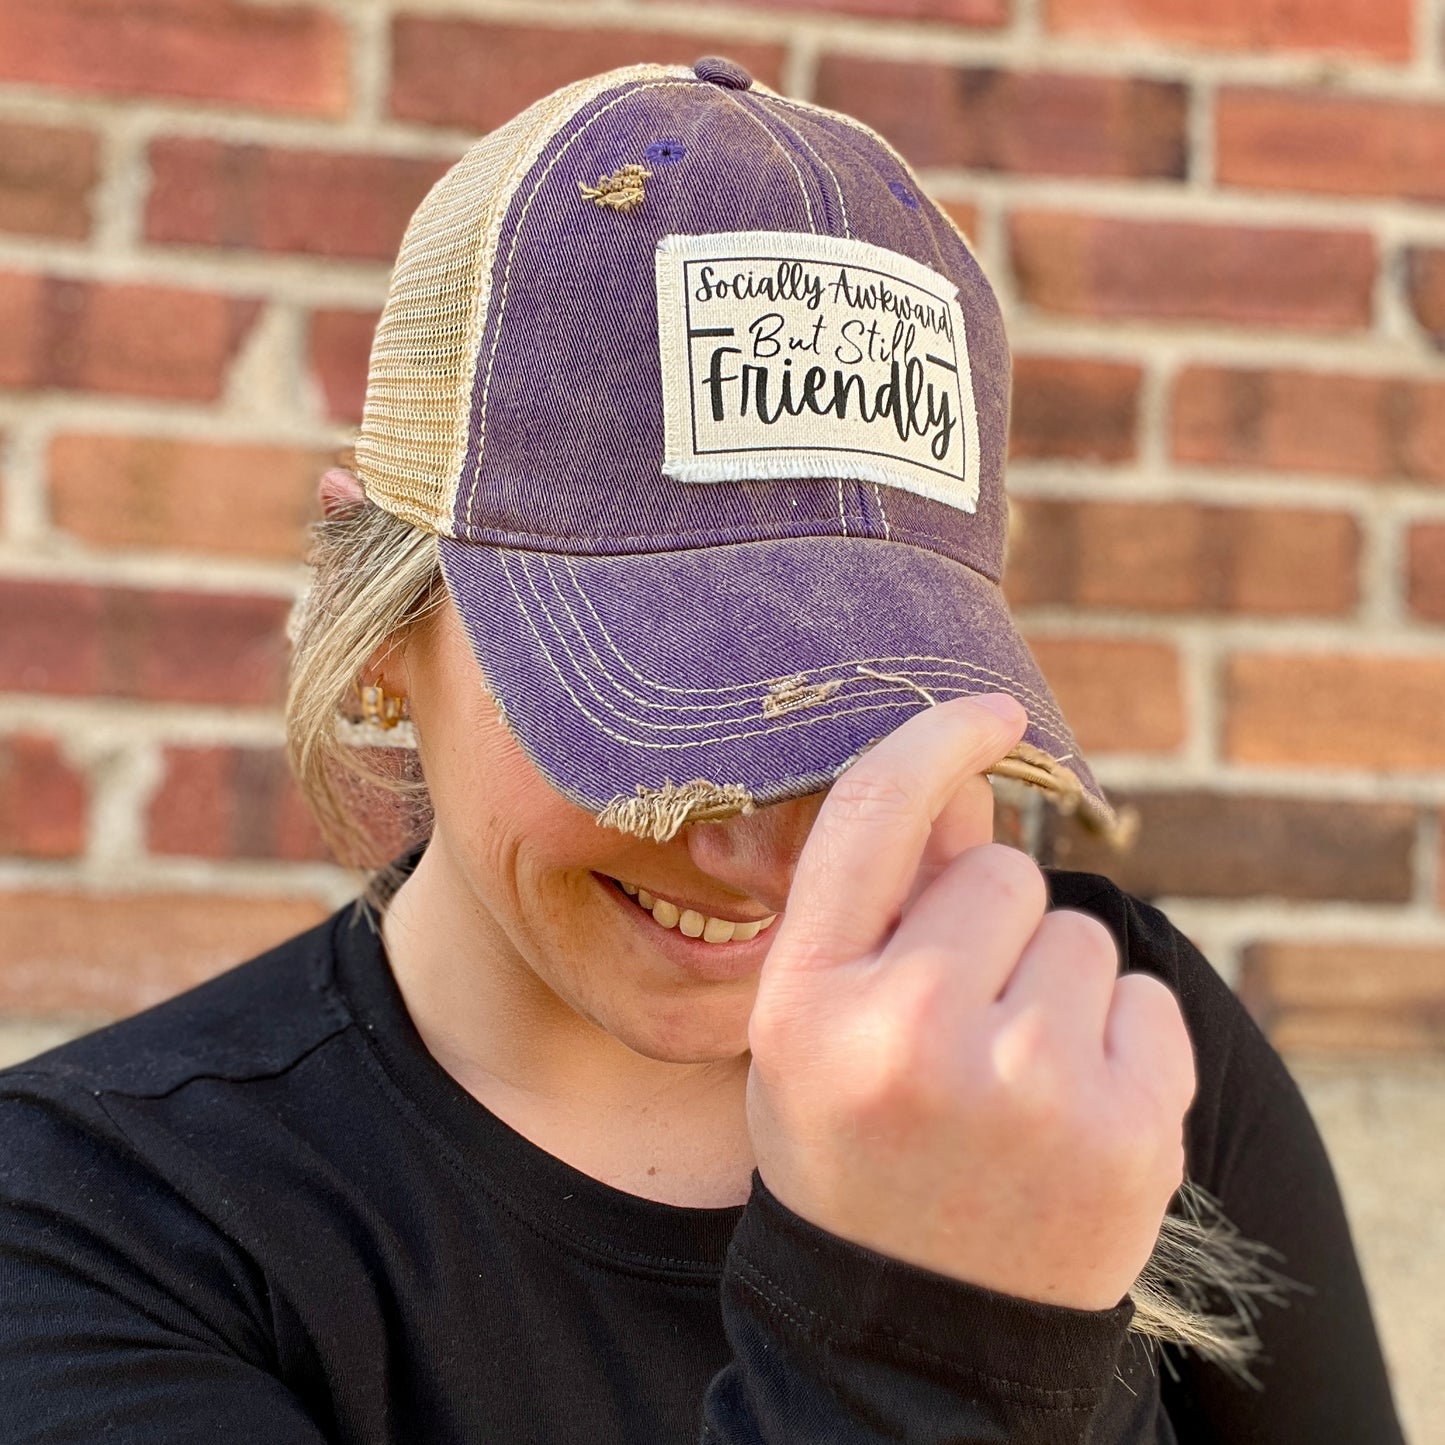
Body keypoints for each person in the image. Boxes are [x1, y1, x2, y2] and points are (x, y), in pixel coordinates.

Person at [0, 58, 1404, 1444]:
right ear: (383, 620)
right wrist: (932, 1347)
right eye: (659, 697)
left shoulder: (1095, 1032)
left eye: (867, 708)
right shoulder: (94, 1228)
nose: (765, 849)